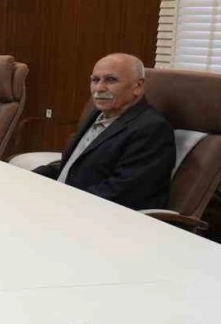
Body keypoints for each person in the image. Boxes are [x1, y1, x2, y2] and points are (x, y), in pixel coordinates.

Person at [33, 54, 174, 210]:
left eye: (111, 80)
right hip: (67, 201)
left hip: (96, 213)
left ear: (138, 86)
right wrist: (29, 177)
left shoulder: (152, 129)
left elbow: (121, 192)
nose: (99, 88)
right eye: (95, 80)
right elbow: (75, 166)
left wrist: (59, 201)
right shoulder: (97, 113)